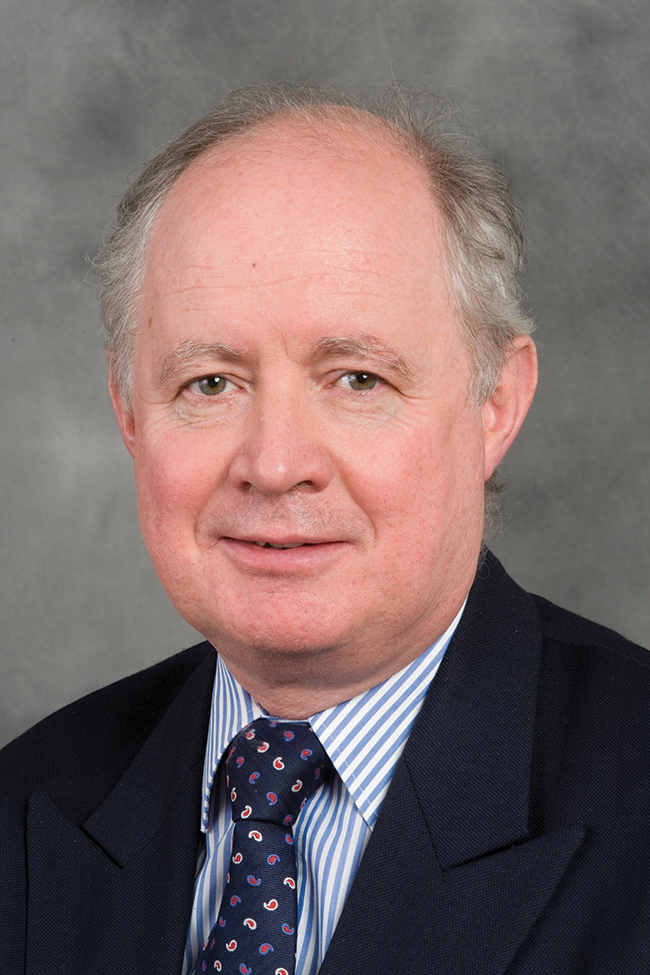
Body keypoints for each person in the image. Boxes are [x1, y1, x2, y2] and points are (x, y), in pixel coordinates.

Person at [1, 84, 649, 975]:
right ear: (129, 411)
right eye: (210, 383)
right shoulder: (24, 807)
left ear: (495, 403)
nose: (275, 464)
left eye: (357, 379)